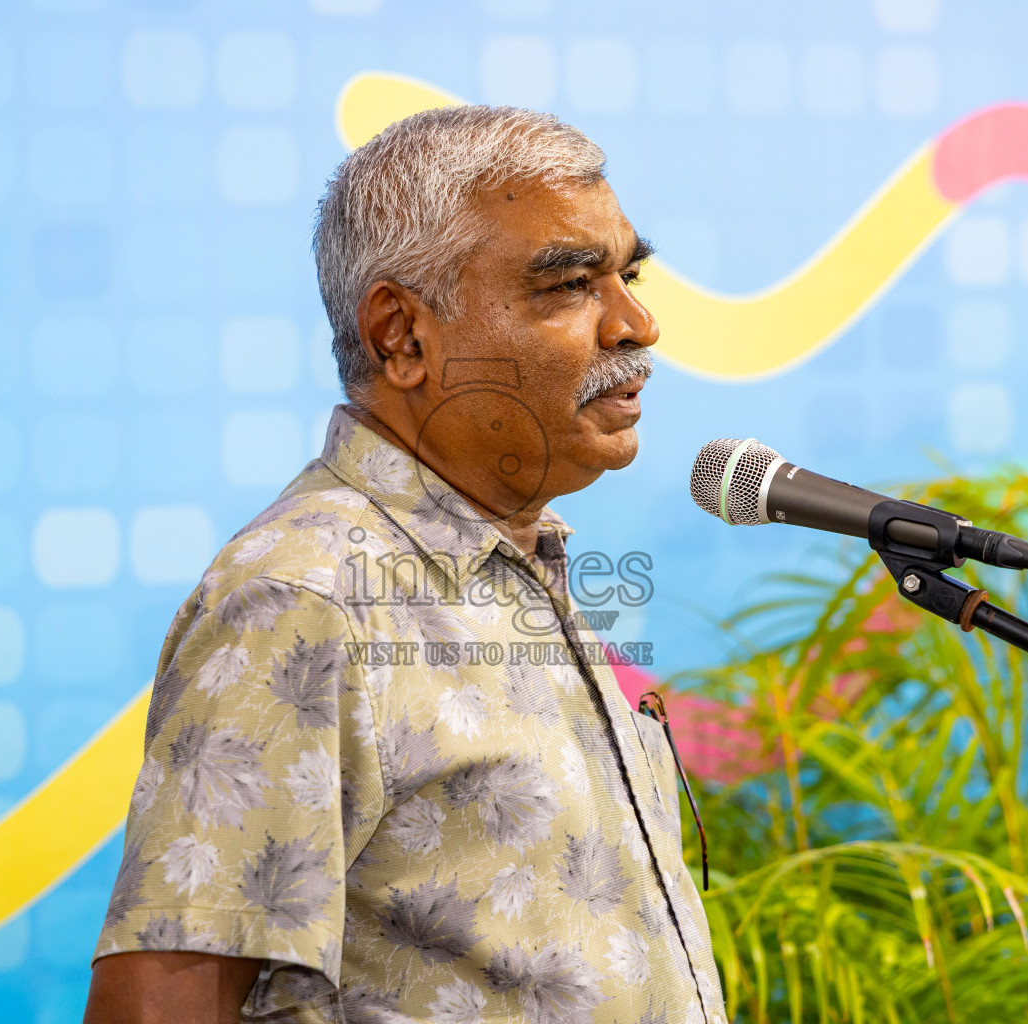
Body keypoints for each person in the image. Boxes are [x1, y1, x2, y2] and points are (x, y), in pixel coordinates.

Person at [84, 105, 725, 1024]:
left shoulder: (520, 559)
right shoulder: (306, 599)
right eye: (571, 284)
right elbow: (161, 1008)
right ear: (401, 336)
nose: (637, 323)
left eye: (629, 274)